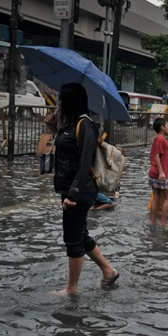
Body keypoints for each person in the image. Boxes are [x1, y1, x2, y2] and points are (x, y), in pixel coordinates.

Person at [52, 82, 118, 295]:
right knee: (80, 235)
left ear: (71, 101)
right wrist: (53, 126)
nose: (59, 102)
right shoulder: (70, 125)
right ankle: (108, 271)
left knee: (72, 238)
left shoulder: (85, 125)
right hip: (72, 189)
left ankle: (72, 288)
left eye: (62, 99)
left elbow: (83, 164)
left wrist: (73, 194)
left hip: (79, 191)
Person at [148, 117, 168, 225]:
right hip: (159, 173)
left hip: (154, 172)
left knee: (156, 197)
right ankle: (163, 223)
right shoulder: (160, 139)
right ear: (162, 128)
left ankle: (153, 222)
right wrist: (162, 172)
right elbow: (156, 156)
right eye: (167, 126)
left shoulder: (158, 139)